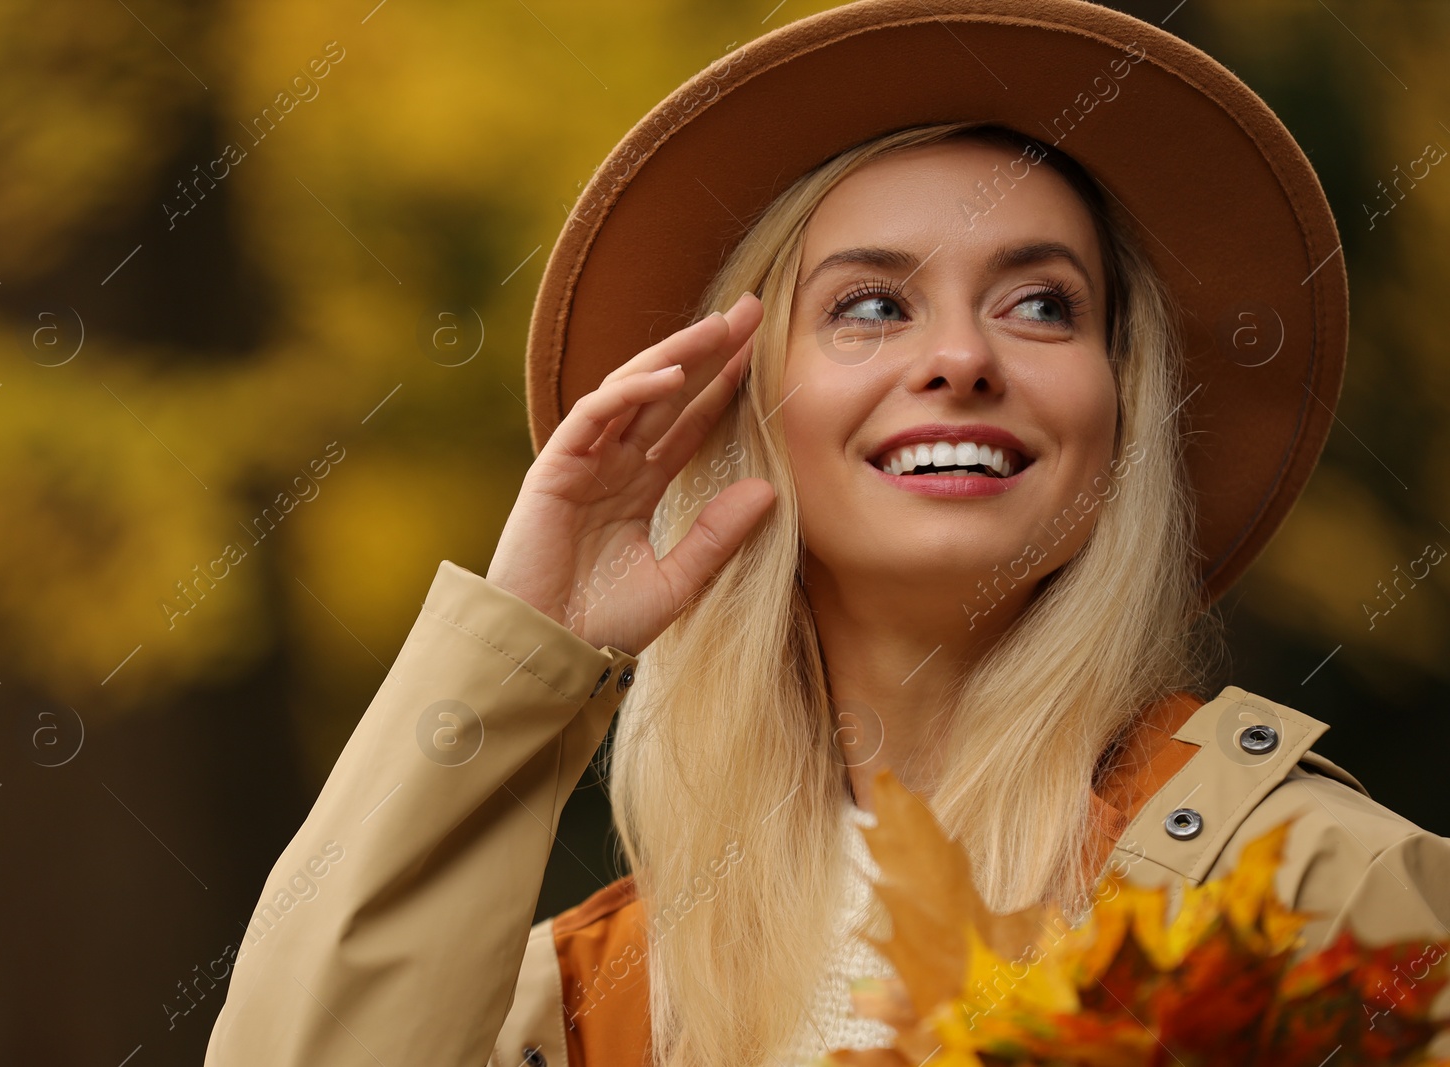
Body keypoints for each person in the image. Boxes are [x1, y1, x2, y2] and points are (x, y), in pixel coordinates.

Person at [202, 3, 1450, 1066]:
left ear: (1118, 418)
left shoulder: (1318, 894)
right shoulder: (583, 1010)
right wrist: (529, 644)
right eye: (868, 305)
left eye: (1041, 304)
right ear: (738, 419)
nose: (961, 356)